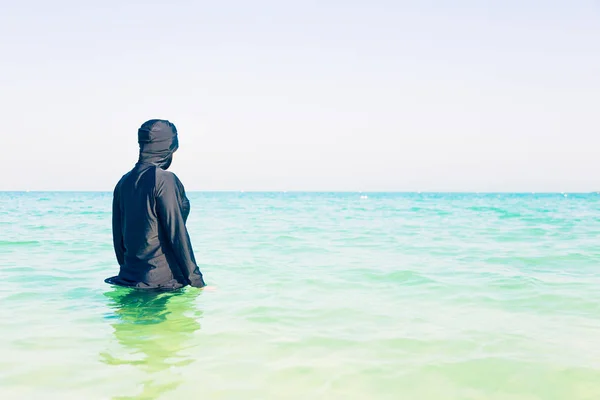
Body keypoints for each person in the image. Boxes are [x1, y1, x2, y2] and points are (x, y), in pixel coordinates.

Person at [105, 119, 206, 290]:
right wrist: (197, 281)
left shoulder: (123, 182)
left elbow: (118, 235)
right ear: (168, 147)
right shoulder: (165, 180)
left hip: (129, 279)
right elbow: (177, 233)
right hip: (164, 283)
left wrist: (128, 271)